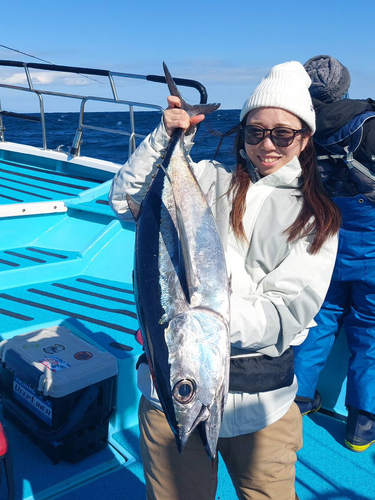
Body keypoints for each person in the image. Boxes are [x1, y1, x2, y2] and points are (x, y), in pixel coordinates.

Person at [109, 61, 340, 500]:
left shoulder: (317, 216)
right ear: (242, 133)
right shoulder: (208, 180)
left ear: (305, 137)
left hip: (260, 409)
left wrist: (205, 319)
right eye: (255, 132)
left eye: (282, 133)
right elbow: (127, 202)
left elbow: (286, 312)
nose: (266, 144)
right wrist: (167, 137)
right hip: (173, 398)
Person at [293, 55, 375, 453]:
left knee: (320, 317)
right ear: (344, 86)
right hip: (371, 245)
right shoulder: (369, 123)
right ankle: (362, 423)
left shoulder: (296, 128)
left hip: (323, 240)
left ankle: (298, 399)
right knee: (371, 331)